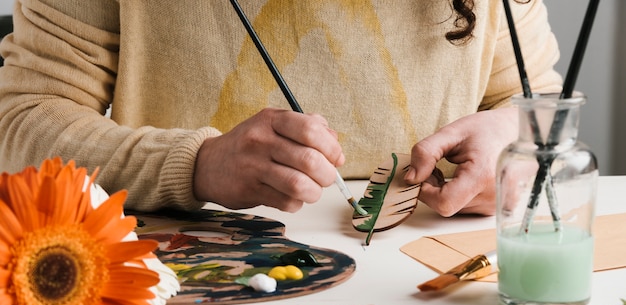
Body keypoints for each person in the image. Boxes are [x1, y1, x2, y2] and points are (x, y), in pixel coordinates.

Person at [0, 0, 561, 216]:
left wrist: (517, 143)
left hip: (435, 290)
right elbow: (22, 122)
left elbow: (544, 106)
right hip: (193, 291)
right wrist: (197, 164)